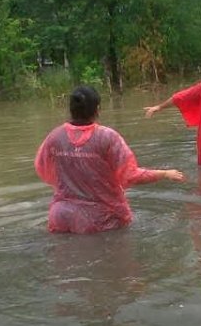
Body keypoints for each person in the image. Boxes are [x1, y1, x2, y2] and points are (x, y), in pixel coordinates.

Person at [35, 85, 184, 234]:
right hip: (101, 219)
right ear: (97, 109)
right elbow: (130, 176)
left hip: (61, 216)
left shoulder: (55, 137)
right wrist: (164, 174)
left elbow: (42, 168)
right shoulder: (107, 137)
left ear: (71, 109)